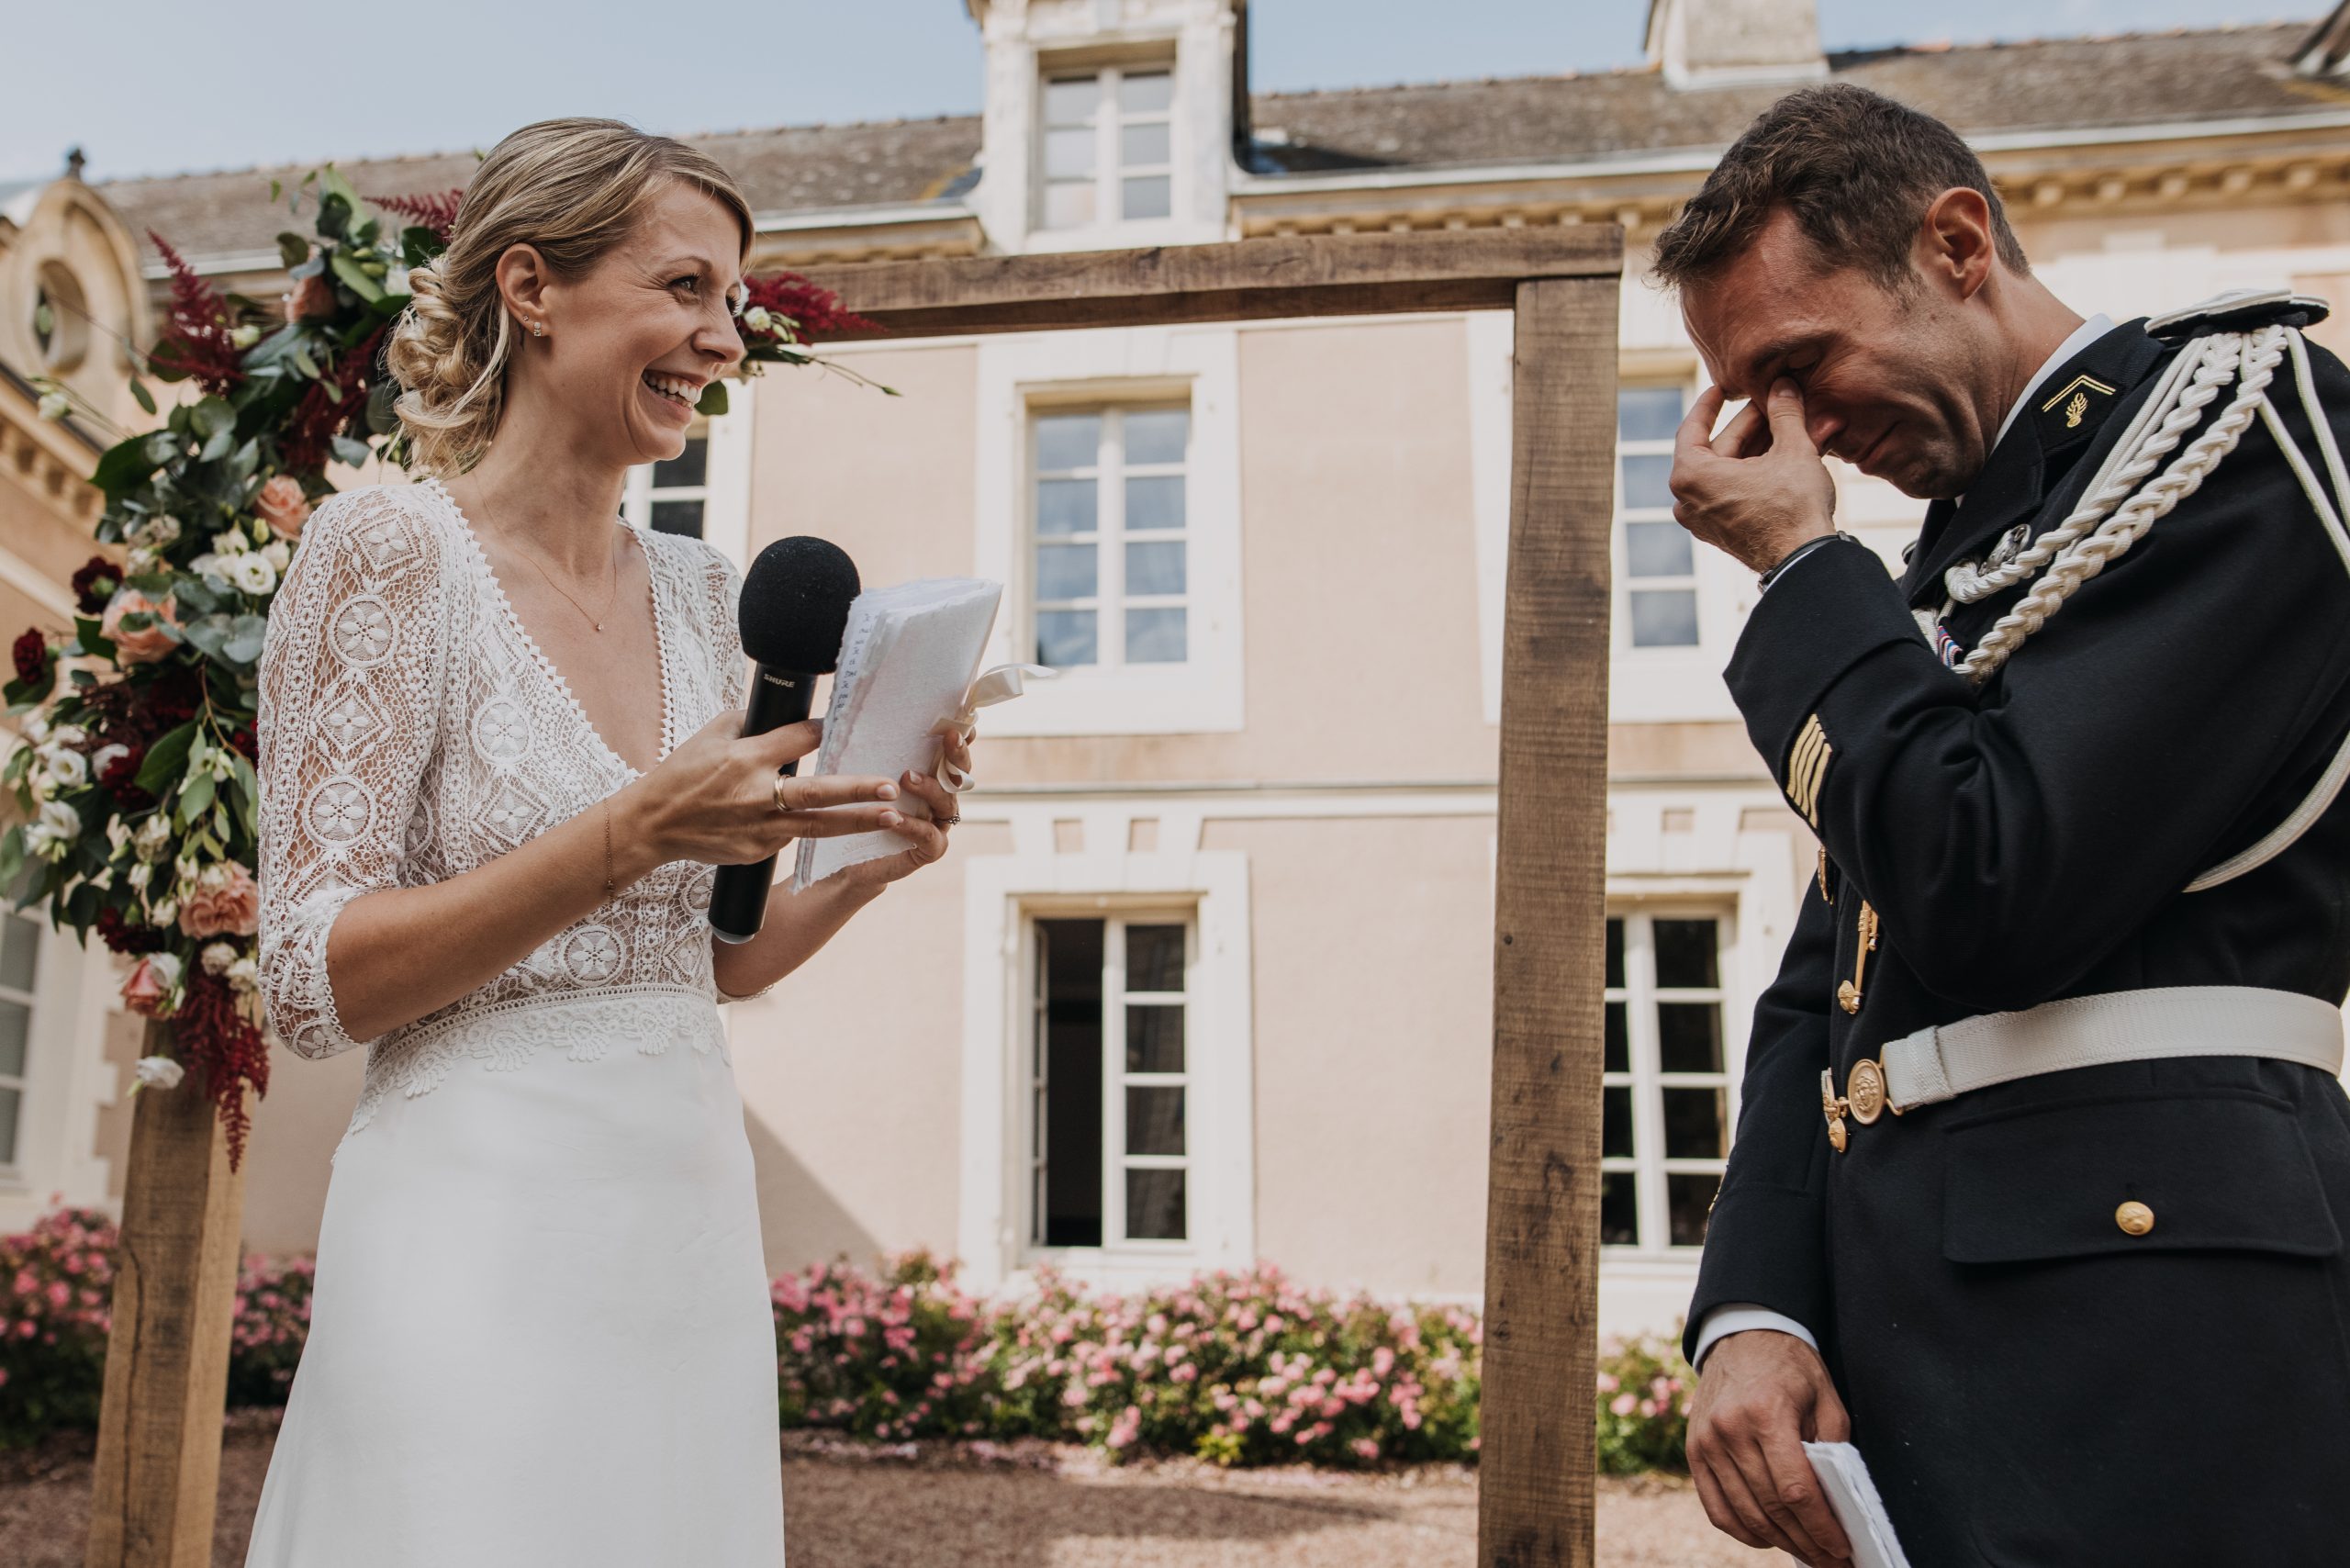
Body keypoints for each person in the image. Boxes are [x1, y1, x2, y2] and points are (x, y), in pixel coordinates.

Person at [246, 119, 968, 1566]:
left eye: (734, 303)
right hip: (470, 1222)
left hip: (680, 1217)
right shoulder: (388, 554)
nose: (724, 334)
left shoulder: (713, 597)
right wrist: (629, 831)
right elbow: (311, 981)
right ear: (531, 284)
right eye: (687, 289)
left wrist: (879, 847)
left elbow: (717, 961)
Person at [1653, 84, 2350, 1567]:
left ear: (1958, 244)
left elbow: (1993, 880)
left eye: (1802, 364)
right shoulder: (1947, 570)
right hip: (1932, 1321)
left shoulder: (2234, 428)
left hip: (2152, 1318)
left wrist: (1793, 569)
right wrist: (1760, 1308)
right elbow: (1823, 983)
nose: (1804, 438)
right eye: (1757, 403)